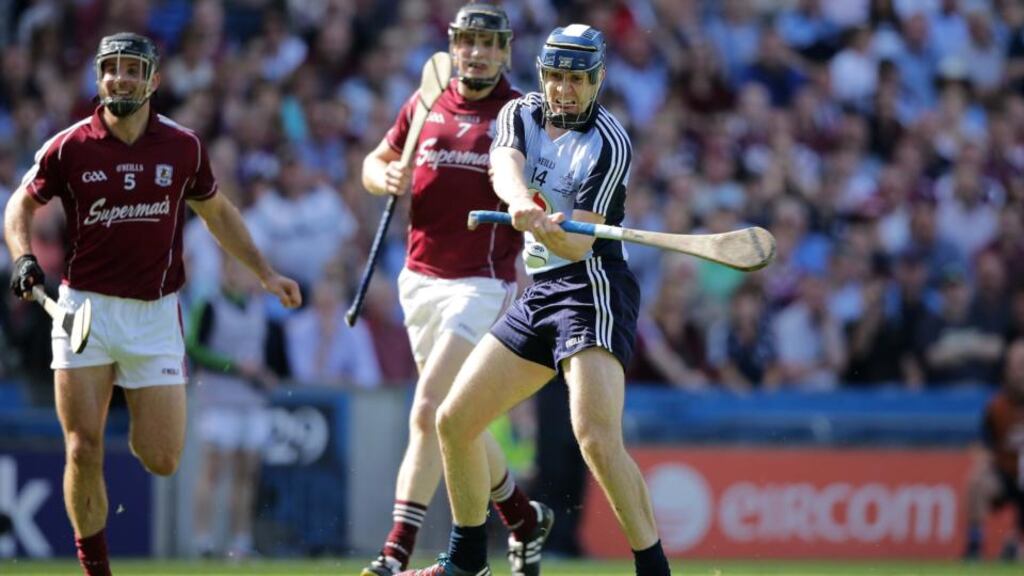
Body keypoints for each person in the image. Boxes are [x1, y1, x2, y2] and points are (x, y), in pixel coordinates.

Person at [3, 33, 301, 576]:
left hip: (155, 315)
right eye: (111, 68)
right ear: (99, 77)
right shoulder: (69, 145)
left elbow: (218, 214)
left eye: (133, 69)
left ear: (154, 81)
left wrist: (265, 272)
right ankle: (96, 570)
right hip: (82, 310)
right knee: (82, 447)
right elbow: (19, 204)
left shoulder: (183, 147)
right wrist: (23, 257)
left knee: (162, 459)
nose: (121, 78)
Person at [400, 24, 672, 576]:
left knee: (595, 438)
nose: (563, 90)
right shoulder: (519, 113)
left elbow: (576, 240)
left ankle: (653, 569)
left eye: (576, 79)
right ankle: (467, 562)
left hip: (591, 286)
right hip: (540, 292)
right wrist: (522, 202)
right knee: (454, 420)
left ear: (596, 81)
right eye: (555, 77)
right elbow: (504, 167)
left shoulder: (610, 143)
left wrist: (548, 228)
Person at [359, 5, 551, 576]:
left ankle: (395, 552)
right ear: (455, 45)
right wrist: (382, 176)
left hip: (482, 284)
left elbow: (534, 180)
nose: (480, 53)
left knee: (429, 411)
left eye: (492, 44)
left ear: (506, 51)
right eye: (470, 42)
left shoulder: (518, 114)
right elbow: (377, 160)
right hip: (418, 282)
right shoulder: (425, 102)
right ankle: (522, 517)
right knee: (457, 419)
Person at [187, 256, 281, 559]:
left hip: (252, 399)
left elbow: (265, 350)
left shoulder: (258, 308)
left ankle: (240, 541)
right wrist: (233, 366)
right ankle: (204, 540)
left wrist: (266, 374)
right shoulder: (210, 305)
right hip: (219, 397)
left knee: (246, 474)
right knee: (214, 470)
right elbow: (194, 347)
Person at [963, 337, 1024, 561]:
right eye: (1016, 366)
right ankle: (974, 547)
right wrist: (984, 462)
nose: (1019, 373)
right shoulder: (996, 407)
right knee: (977, 481)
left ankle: (1014, 546)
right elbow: (985, 445)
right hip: (1007, 475)